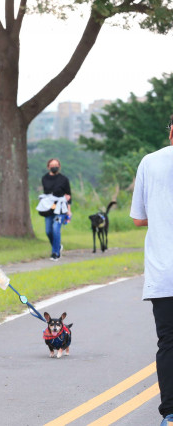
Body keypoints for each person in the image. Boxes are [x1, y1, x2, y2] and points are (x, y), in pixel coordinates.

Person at [130, 114, 173, 426]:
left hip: (164, 270)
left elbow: (138, 218)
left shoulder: (150, 162)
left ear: (171, 132)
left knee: (168, 342)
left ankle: (170, 413)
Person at [40, 158, 72, 261]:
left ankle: (55, 253)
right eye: (52, 165)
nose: (54, 167)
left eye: (56, 165)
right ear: (48, 167)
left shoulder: (64, 179)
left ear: (59, 166)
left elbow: (68, 195)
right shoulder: (44, 178)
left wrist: (69, 210)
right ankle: (57, 246)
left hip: (60, 209)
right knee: (48, 231)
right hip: (49, 208)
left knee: (55, 228)